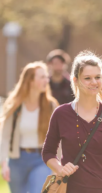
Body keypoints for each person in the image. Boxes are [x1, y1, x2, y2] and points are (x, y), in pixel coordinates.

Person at [42, 51, 102, 193]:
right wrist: (60, 168)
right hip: (69, 188)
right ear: (75, 80)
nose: (94, 82)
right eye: (87, 78)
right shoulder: (61, 113)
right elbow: (48, 152)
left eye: (97, 77)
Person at [0, 61, 58, 193]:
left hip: (41, 159)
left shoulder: (51, 106)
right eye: (42, 77)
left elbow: (57, 137)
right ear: (30, 81)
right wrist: (4, 163)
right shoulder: (15, 105)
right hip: (17, 159)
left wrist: (58, 165)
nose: (46, 80)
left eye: (47, 77)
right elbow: (5, 137)